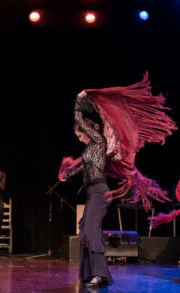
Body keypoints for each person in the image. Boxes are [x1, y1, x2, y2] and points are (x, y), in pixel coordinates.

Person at [62, 92, 114, 288]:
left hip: (101, 193)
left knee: (91, 231)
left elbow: (78, 119)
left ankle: (100, 276)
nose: (80, 139)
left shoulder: (99, 141)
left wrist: (77, 100)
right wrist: (69, 174)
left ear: (86, 131)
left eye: (80, 135)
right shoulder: (90, 150)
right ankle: (90, 273)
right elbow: (85, 166)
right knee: (85, 231)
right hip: (93, 194)